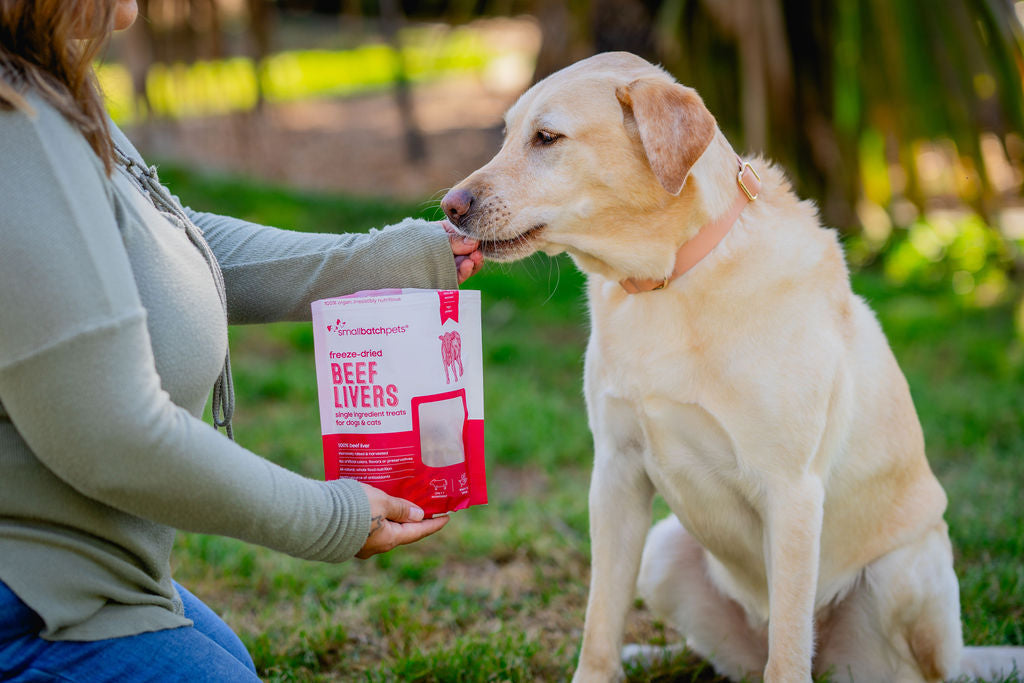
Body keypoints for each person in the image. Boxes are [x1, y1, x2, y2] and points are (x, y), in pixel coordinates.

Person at [0, 0, 484, 679]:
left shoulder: (42, 87)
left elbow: (161, 237)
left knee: (227, 658)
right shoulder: (13, 131)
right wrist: (328, 515)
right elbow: (111, 433)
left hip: (89, 574)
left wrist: (380, 261)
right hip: (34, 604)